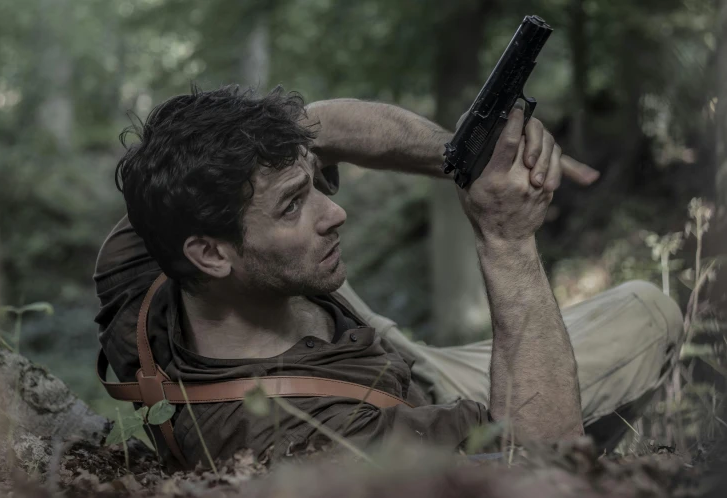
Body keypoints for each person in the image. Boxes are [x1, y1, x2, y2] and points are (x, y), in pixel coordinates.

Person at [94, 86, 683, 468]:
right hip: (395, 410)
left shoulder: (142, 247)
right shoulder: (311, 443)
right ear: (211, 254)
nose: (336, 212)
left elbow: (325, 124)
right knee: (650, 321)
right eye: (295, 204)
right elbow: (536, 465)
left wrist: (466, 159)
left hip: (363, 343)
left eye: (316, 183)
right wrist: (506, 240)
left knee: (646, 305)